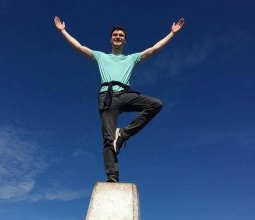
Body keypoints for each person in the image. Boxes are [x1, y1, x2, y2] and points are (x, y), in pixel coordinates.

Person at [54, 16, 185, 182]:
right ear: (110, 39)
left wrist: (171, 34)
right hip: (107, 97)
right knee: (108, 138)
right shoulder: (101, 56)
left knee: (155, 104)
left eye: (121, 35)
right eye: (115, 35)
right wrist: (63, 31)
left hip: (125, 95)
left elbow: (152, 49)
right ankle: (112, 176)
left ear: (125, 41)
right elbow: (79, 47)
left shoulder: (131, 58)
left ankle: (123, 134)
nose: (118, 37)